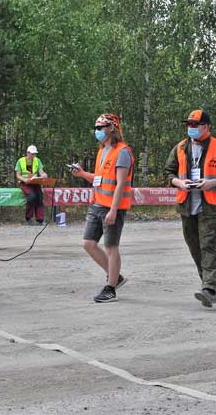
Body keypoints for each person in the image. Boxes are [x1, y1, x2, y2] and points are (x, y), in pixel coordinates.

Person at [164, 109, 216, 308]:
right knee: (194, 247)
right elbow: (168, 172)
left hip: (210, 206)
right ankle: (209, 285)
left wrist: (213, 183)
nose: (191, 128)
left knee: (208, 245)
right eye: (189, 124)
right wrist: (177, 183)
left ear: (206, 126)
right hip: (187, 205)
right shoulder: (180, 147)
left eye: (195, 125)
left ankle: (209, 289)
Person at [70, 114, 133, 303]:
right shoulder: (102, 150)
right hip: (97, 204)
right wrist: (82, 174)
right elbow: (100, 179)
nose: (97, 131)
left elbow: (120, 184)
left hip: (112, 207)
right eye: (96, 127)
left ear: (112, 128)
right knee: (88, 243)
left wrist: (114, 210)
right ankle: (116, 276)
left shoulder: (122, 151)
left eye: (101, 127)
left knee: (111, 247)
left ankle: (111, 288)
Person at [15, 145, 48, 225]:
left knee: (39, 197)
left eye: (35, 154)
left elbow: (41, 172)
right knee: (32, 197)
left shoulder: (37, 160)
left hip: (35, 182)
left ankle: (40, 220)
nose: (34, 155)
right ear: (28, 153)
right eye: (32, 154)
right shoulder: (20, 161)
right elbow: (18, 175)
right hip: (24, 183)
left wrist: (44, 175)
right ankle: (28, 218)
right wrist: (24, 179)